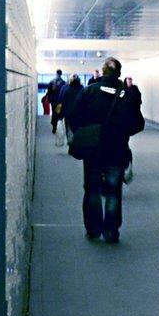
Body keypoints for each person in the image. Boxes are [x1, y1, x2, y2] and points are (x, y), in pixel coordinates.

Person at [63, 59, 144, 243]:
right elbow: (138, 124)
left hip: (93, 150)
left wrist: (86, 132)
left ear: (103, 71)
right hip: (117, 149)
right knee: (114, 191)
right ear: (119, 73)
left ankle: (93, 229)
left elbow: (74, 117)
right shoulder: (127, 95)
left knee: (92, 189)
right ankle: (111, 231)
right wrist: (122, 133)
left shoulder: (89, 91)